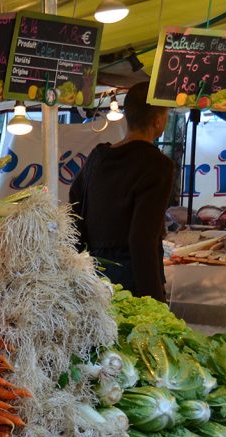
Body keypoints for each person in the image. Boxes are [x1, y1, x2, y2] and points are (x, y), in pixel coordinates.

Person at [69, 82, 173, 302]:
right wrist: (154, 302)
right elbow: (142, 238)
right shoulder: (157, 165)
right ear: (157, 120)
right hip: (133, 280)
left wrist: (75, 266)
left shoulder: (98, 157)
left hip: (94, 275)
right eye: (166, 115)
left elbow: (74, 209)